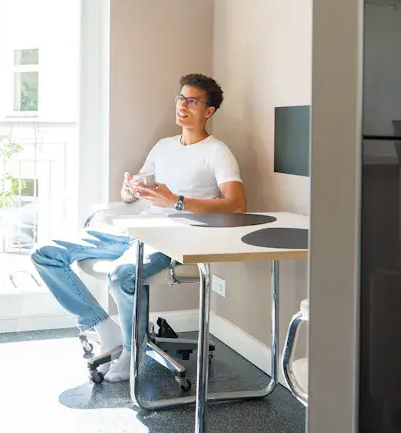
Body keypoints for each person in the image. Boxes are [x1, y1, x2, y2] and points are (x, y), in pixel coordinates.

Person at [31, 74, 246, 383]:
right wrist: (130, 190)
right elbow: (133, 193)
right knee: (45, 253)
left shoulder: (217, 151)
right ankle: (105, 327)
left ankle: (133, 349)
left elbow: (236, 203)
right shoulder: (163, 146)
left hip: (172, 237)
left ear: (209, 111)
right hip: (133, 229)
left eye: (192, 101)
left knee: (122, 275)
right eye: (179, 98)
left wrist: (177, 200)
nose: (182, 105)